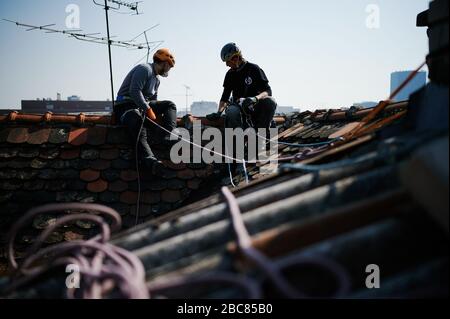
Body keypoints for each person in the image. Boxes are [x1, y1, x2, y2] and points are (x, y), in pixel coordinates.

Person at [114, 48, 177, 169]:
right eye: (170, 66)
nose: (169, 70)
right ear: (165, 63)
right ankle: (149, 159)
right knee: (137, 121)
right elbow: (134, 91)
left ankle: (168, 135)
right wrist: (148, 110)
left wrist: (151, 110)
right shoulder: (145, 69)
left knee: (169, 105)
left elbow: (153, 101)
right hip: (126, 106)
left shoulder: (157, 79)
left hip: (142, 106)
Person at [206, 43, 277, 130]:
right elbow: (225, 97)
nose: (227, 65)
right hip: (238, 106)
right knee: (232, 111)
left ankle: (262, 135)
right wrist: (219, 112)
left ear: (236, 58)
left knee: (270, 101)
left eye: (228, 61)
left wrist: (255, 98)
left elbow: (268, 91)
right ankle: (238, 140)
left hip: (255, 104)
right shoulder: (230, 74)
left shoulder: (254, 69)